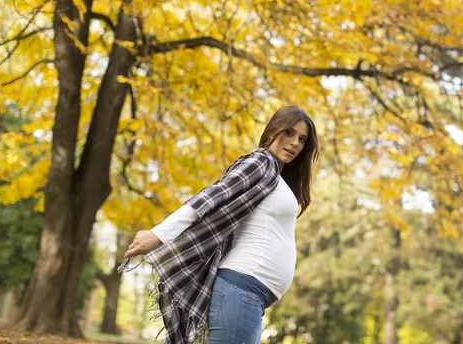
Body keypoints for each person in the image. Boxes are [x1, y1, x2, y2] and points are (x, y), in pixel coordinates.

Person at [120, 105, 320, 344]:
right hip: (241, 289)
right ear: (272, 131)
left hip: (249, 293)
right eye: (289, 132)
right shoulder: (260, 163)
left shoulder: (273, 175)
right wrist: (158, 234)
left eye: (302, 139)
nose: (295, 143)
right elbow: (211, 197)